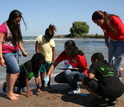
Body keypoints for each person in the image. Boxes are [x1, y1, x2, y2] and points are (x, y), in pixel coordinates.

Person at [0, 10, 28, 100]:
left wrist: (23, 51)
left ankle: (9, 91)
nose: (18, 23)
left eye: (19, 21)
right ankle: (10, 93)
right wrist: (1, 58)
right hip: (6, 52)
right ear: (11, 19)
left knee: (10, 72)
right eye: (16, 21)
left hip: (15, 52)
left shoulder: (17, 27)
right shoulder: (3, 27)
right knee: (16, 71)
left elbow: (19, 41)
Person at [92, 10, 124, 80]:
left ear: (102, 18)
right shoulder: (102, 24)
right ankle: (111, 78)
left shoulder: (115, 20)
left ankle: (118, 81)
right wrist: (106, 42)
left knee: (117, 62)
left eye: (98, 22)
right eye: (96, 23)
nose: (97, 24)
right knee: (110, 62)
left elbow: (123, 32)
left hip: (122, 41)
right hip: (112, 41)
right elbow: (105, 32)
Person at [35, 24, 56, 89]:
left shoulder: (52, 41)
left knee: (48, 73)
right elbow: (37, 48)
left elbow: (53, 51)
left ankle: (49, 85)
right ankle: (43, 85)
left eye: (50, 38)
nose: (49, 39)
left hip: (49, 60)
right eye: (48, 37)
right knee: (42, 72)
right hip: (42, 60)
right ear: (45, 35)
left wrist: (54, 59)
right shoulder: (40, 38)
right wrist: (39, 57)